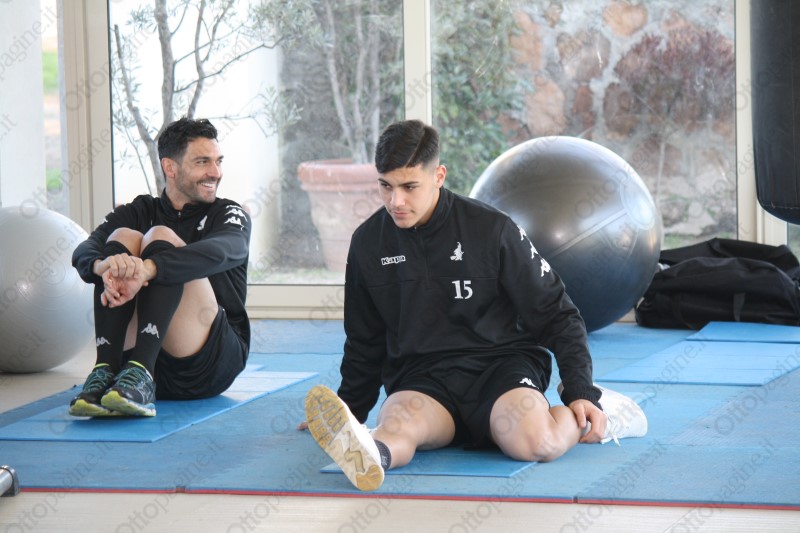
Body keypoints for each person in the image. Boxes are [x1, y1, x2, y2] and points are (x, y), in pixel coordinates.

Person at [304, 120, 647, 491]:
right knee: (397, 427)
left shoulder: (492, 229)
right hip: (422, 379)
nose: (395, 201)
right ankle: (368, 450)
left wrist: (580, 390)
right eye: (385, 186)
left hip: (500, 369)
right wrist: (349, 411)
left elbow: (557, 314)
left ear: (438, 176)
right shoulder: (369, 243)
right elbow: (364, 339)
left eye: (409, 187)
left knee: (537, 443)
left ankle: (600, 415)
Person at [69, 117, 251, 418]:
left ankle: (142, 371)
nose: (215, 172)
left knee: (159, 236)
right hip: (126, 370)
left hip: (206, 365)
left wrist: (150, 268)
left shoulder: (227, 212)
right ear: (170, 167)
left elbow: (229, 248)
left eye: (218, 161)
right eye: (203, 162)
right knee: (122, 238)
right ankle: (106, 368)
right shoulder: (139, 210)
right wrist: (101, 266)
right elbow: (84, 250)